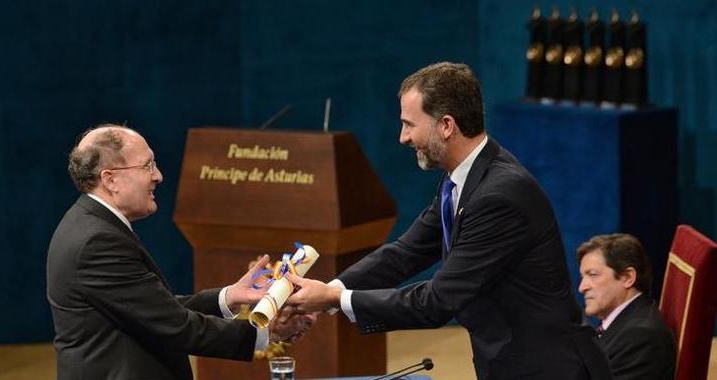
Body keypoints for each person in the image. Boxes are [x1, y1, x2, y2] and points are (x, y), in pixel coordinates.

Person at [285, 62, 611, 379]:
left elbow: (437, 301)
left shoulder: (499, 195)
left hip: (549, 367)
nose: (402, 137)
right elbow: (404, 253)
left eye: (409, 124)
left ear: (446, 125)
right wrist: (329, 292)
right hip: (509, 361)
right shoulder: (460, 179)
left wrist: (337, 300)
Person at [47, 125, 306, 380]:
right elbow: (174, 325)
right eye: (147, 165)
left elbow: (151, 308)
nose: (158, 176)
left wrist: (229, 297)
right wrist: (264, 331)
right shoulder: (98, 241)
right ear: (110, 179)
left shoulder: (92, 225)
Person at [577, 233, 675, 380]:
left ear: (627, 278)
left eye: (593, 275)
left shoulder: (641, 337)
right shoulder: (623, 323)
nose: (581, 287)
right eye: (582, 277)